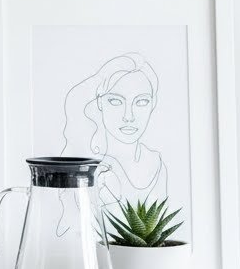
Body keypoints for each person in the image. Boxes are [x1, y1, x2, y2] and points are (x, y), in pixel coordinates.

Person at [62, 53, 167, 209]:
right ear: (100, 102)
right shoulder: (90, 169)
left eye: (142, 101)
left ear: (153, 103)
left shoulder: (156, 163)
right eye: (116, 101)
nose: (128, 116)